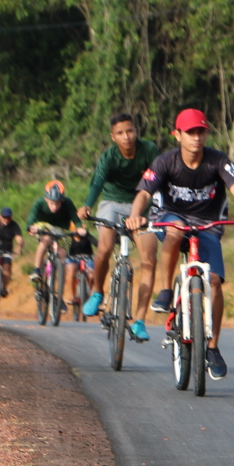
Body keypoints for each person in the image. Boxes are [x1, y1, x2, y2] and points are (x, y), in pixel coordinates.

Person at [129, 109, 234, 380]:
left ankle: (212, 347)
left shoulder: (219, 161)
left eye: (201, 131)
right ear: (177, 135)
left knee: (214, 282)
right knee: (175, 229)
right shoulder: (165, 161)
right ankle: (166, 290)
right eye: (190, 132)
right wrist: (135, 215)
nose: (196, 137)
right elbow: (144, 192)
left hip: (207, 225)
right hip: (171, 218)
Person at [81, 112, 160, 335]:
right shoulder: (109, 157)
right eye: (120, 133)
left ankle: (140, 321)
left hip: (143, 205)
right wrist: (87, 205)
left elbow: (159, 177)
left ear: (136, 131)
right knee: (104, 248)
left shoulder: (149, 150)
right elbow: (97, 182)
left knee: (149, 260)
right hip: (113, 203)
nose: (126, 137)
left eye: (130, 131)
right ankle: (97, 292)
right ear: (113, 136)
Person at [27, 180, 79, 293]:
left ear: (62, 200)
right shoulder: (39, 203)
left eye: (57, 204)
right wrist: (30, 227)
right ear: (46, 199)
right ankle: (37, 270)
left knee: (63, 258)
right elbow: (32, 217)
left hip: (61, 230)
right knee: (46, 239)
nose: (54, 207)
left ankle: (59, 295)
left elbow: (76, 219)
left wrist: (80, 229)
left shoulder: (68, 203)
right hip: (43, 227)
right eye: (51, 203)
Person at [64, 220, 97, 308]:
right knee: (71, 271)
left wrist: (88, 235)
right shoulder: (70, 237)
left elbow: (97, 243)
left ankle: (88, 292)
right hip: (73, 259)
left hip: (88, 258)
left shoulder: (87, 236)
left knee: (91, 275)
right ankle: (72, 295)